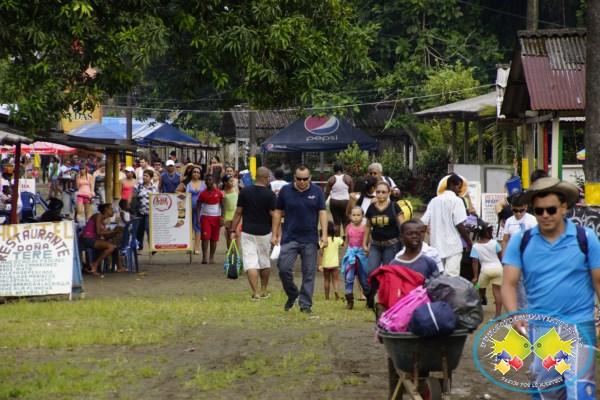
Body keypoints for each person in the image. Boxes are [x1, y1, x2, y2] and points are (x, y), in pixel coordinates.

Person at [502, 177, 600, 399]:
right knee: (549, 391)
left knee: (581, 389)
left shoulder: (586, 238)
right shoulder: (522, 241)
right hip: (542, 327)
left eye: (551, 209)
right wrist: (514, 314)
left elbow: (598, 281)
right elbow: (508, 283)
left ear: (564, 207)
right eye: (539, 211)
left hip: (580, 324)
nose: (545, 215)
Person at [271, 164, 328, 313]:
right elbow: (277, 212)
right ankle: (292, 293)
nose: (302, 182)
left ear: (310, 178)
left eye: (305, 179)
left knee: (309, 273)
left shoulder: (317, 191)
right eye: (299, 179)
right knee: (283, 268)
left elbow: (322, 212)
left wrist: (324, 235)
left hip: (309, 238)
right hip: (290, 237)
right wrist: (274, 234)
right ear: (294, 178)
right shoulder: (285, 191)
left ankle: (305, 304)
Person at [230, 167, 277, 300]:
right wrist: (276, 232)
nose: (269, 180)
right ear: (265, 178)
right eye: (268, 177)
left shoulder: (245, 191)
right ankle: (264, 289)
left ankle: (255, 292)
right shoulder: (270, 195)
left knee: (250, 262)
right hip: (265, 232)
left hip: (248, 231)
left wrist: (233, 230)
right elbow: (274, 215)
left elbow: (239, 212)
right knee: (264, 261)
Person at [421, 173, 472, 276]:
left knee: (436, 278)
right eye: (459, 186)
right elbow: (459, 224)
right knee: (451, 279)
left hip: (436, 246)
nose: (460, 190)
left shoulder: (434, 201)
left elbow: (424, 223)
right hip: (453, 247)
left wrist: (423, 243)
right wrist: (469, 242)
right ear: (452, 185)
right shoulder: (457, 201)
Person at [363, 181, 404, 276]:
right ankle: (375, 290)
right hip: (375, 244)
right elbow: (368, 226)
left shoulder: (394, 206)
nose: (380, 194)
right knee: (371, 271)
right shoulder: (371, 207)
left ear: (389, 193)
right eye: (378, 192)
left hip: (392, 245)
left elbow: (403, 226)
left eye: (383, 192)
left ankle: (386, 290)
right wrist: (364, 243)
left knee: (388, 272)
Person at [79, 203, 125, 275]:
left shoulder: (103, 221)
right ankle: (94, 265)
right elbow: (98, 232)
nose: (113, 211)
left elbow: (105, 236)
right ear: (106, 209)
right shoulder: (98, 216)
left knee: (114, 246)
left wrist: (115, 232)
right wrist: (113, 231)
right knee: (111, 246)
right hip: (87, 239)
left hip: (93, 239)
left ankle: (120, 267)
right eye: (111, 209)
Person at [470, 220, 503, 317]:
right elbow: (501, 257)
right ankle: (498, 315)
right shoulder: (494, 243)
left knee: (478, 288)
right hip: (498, 269)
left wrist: (475, 277)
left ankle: (480, 305)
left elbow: (474, 262)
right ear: (488, 232)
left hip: (485, 271)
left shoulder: (475, 246)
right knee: (497, 291)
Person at [341, 207, 368, 309]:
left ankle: (369, 299)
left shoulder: (365, 227)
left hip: (362, 255)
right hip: (350, 254)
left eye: (358, 215)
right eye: (354, 215)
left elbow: (368, 242)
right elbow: (347, 242)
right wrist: (345, 254)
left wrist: (367, 251)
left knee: (364, 279)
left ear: (362, 216)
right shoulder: (348, 227)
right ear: (350, 216)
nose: (356, 217)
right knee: (349, 277)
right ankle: (349, 300)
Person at [177, 166, 205, 254]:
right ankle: (188, 247)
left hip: (200, 209)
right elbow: (177, 192)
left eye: (198, 172)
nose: (196, 173)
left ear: (200, 174)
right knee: (189, 227)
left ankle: (196, 248)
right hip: (188, 208)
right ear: (191, 173)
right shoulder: (187, 183)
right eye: (194, 172)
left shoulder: (204, 183)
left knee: (198, 227)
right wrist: (184, 196)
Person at [198, 174, 223, 264]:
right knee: (205, 238)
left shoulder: (219, 193)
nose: (209, 181)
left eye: (211, 180)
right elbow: (198, 206)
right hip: (205, 217)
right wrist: (198, 217)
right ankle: (204, 257)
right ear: (205, 182)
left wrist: (222, 217)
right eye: (208, 180)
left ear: (213, 182)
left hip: (216, 217)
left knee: (214, 238)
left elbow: (222, 205)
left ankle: (211, 257)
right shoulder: (202, 193)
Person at [325, 163, 353, 237]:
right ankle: (346, 240)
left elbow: (327, 193)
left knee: (336, 223)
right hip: (345, 202)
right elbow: (351, 192)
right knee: (346, 222)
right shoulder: (348, 178)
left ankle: (337, 240)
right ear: (342, 169)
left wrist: (323, 202)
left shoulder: (331, 179)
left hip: (334, 202)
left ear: (334, 170)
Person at [318, 221, 343, 301]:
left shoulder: (322, 241)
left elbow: (321, 254)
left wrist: (320, 265)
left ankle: (327, 297)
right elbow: (343, 244)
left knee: (326, 280)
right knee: (335, 280)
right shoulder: (337, 240)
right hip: (335, 264)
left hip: (325, 264)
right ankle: (336, 293)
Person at [135, 170, 157, 251]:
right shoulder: (139, 186)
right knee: (139, 230)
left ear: (150, 178)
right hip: (140, 211)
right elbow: (135, 197)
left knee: (149, 229)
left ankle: (152, 247)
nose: (145, 177)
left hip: (150, 213)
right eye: (144, 175)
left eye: (147, 176)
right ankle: (139, 246)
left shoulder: (154, 187)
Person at [222, 174, 238, 250]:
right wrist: (222, 217)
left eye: (233, 181)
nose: (232, 183)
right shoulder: (222, 193)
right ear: (225, 183)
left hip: (236, 215)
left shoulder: (236, 190)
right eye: (230, 181)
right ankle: (230, 252)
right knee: (229, 236)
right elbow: (221, 206)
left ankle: (236, 253)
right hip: (227, 216)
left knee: (236, 234)